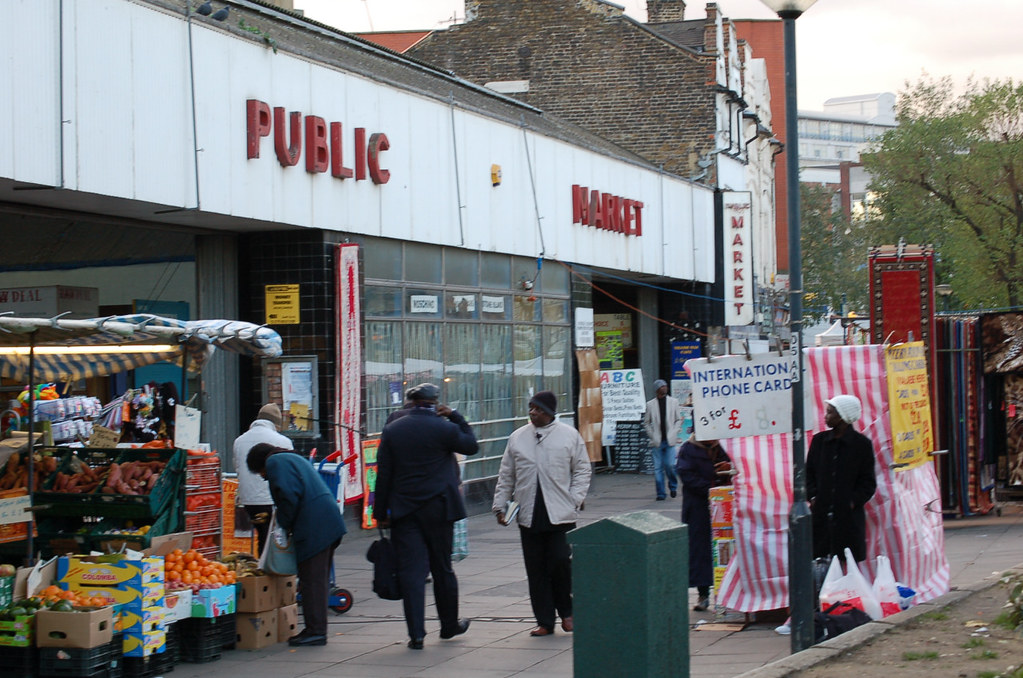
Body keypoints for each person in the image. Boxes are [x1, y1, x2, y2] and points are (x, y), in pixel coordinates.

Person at [373, 383, 479, 650]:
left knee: (411, 572)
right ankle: (448, 625)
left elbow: (383, 475)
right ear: (434, 403)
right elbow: (471, 446)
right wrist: (454, 414)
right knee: (442, 568)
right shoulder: (444, 427)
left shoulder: (393, 430)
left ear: (410, 403)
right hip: (440, 509)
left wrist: (380, 513)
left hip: (405, 511)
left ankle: (416, 635)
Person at [492, 390, 592, 637]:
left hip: (560, 512)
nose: (532, 413)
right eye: (531, 408)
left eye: (538, 409)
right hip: (528, 512)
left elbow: (582, 469)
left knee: (560, 563)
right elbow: (507, 475)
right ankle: (544, 621)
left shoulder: (569, 436)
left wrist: (576, 497)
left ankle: (568, 613)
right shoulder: (518, 437)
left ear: (549, 413)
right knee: (535, 569)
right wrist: (500, 505)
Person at [246, 443, 346, 647]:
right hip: (327, 521)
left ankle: (316, 632)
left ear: (261, 463)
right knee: (317, 580)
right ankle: (316, 629)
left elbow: (288, 496)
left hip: (315, 526)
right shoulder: (291, 458)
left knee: (312, 581)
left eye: (261, 473)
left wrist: (282, 523)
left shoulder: (275, 462)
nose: (264, 477)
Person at [806, 394, 877, 562]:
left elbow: (868, 483)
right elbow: (808, 474)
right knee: (820, 561)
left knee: (847, 561)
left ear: (843, 416)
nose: (826, 416)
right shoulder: (819, 441)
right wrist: (814, 497)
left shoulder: (862, 445)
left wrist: (851, 502)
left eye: (830, 413)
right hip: (821, 516)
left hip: (848, 519)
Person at [675, 436, 732, 612]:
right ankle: (703, 593)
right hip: (698, 507)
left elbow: (735, 466)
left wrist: (727, 469)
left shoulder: (723, 446)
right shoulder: (688, 448)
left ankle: (725, 593)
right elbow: (686, 475)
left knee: (725, 547)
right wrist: (710, 489)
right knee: (700, 549)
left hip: (724, 503)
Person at [233, 403, 293, 555]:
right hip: (271, 501)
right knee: (272, 541)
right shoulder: (283, 442)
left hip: (248, 501)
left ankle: (262, 568)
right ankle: (270, 572)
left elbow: (237, 468)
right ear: (275, 423)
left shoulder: (239, 441)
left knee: (263, 536)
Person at [643, 378, 681, 500]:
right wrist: (652, 435)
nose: (664, 388)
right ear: (657, 390)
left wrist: (675, 432)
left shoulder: (673, 402)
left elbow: (678, 419)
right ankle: (660, 493)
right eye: (662, 386)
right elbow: (646, 422)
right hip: (657, 442)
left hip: (670, 440)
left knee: (670, 465)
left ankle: (673, 486)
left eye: (665, 386)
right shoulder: (650, 404)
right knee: (657, 468)